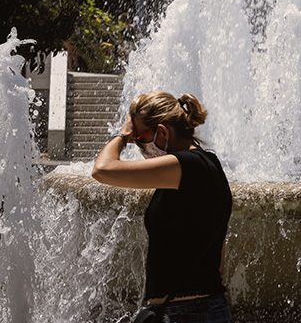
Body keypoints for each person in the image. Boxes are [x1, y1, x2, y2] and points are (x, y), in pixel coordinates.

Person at [92, 91, 233, 323]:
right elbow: (219, 258)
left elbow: (102, 169)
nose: (138, 146)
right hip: (196, 309)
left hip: (188, 313)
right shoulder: (206, 166)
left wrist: (122, 135)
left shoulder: (186, 166)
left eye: (140, 139)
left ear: (163, 131)